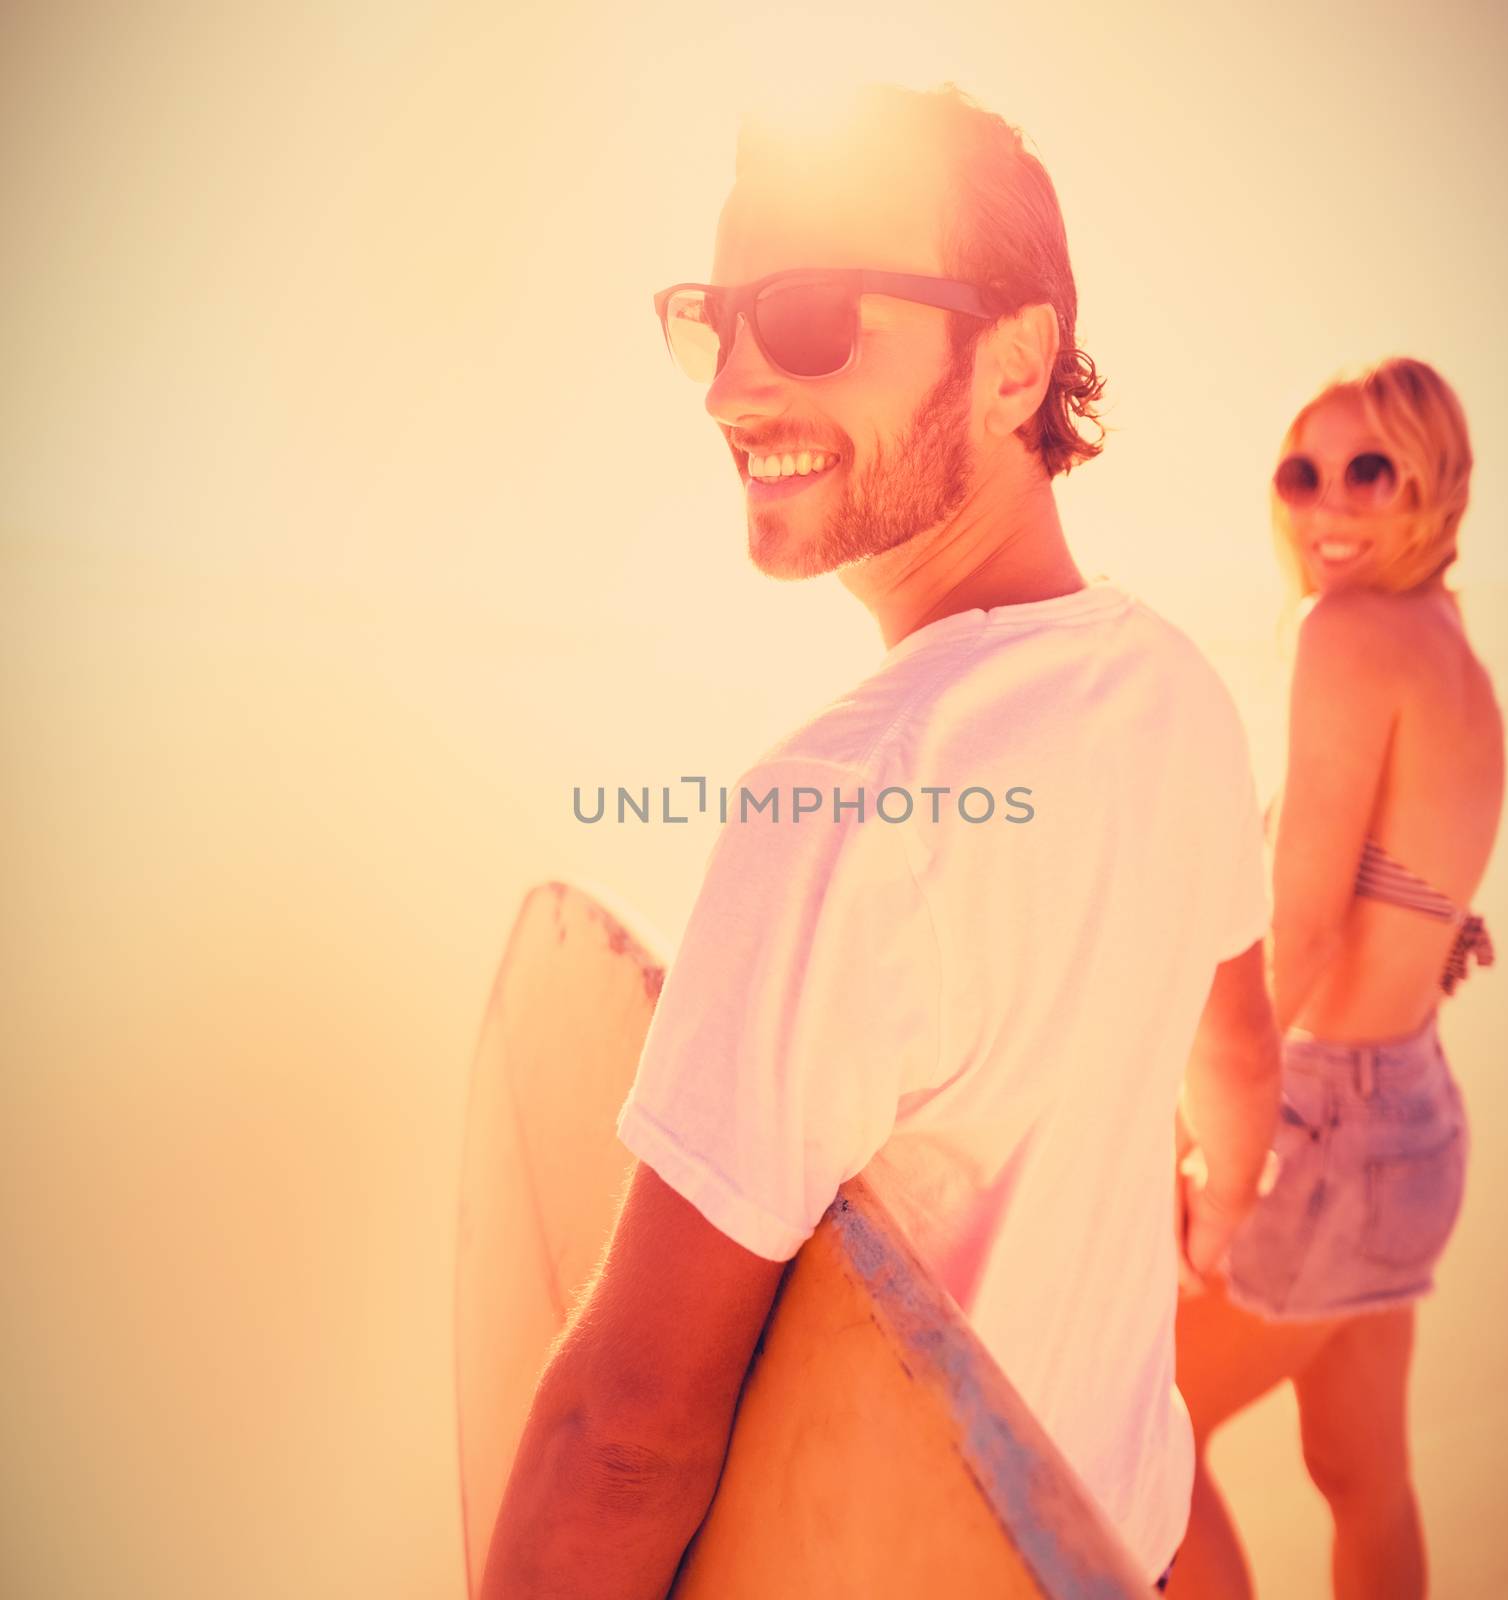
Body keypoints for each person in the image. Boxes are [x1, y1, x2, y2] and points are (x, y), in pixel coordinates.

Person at [481, 82, 1281, 1599]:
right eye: (711, 320)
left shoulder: (849, 805)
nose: (726, 387)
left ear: (1017, 362)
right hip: (1127, 1547)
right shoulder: (1181, 692)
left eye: (808, 318)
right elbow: (1235, 1060)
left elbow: (625, 1441)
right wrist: (1208, 1210)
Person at [1170, 358, 1504, 1600]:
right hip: (1412, 1123)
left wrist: (1215, 1149)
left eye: (1368, 469)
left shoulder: (1348, 634)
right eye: (1300, 472)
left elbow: (1298, 937)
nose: (1328, 504)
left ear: (1430, 479)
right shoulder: (1447, 642)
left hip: (1328, 1135)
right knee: (1363, 1475)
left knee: (1133, 1440)